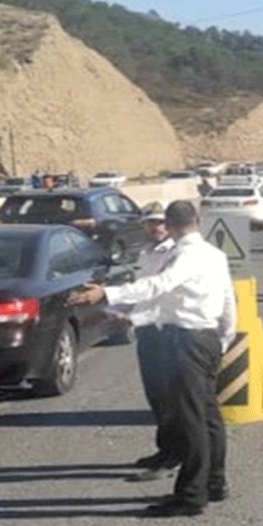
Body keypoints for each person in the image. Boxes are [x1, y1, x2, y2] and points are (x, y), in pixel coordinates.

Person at [69, 201, 237, 518]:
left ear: (171, 226)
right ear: (198, 221)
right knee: (208, 416)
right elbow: (225, 298)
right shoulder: (214, 254)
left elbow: (160, 285)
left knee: (192, 421)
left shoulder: (185, 255)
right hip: (205, 337)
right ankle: (214, 482)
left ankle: (191, 496)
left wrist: (107, 294)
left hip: (187, 341)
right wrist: (225, 337)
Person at [115, 202, 179, 482]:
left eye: (160, 222)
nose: (155, 228)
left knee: (170, 397)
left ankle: (175, 455)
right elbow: (140, 292)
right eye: (150, 223)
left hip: (165, 329)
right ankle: (164, 449)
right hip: (146, 330)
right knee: (155, 395)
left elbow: (163, 293)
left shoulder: (176, 254)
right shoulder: (146, 253)